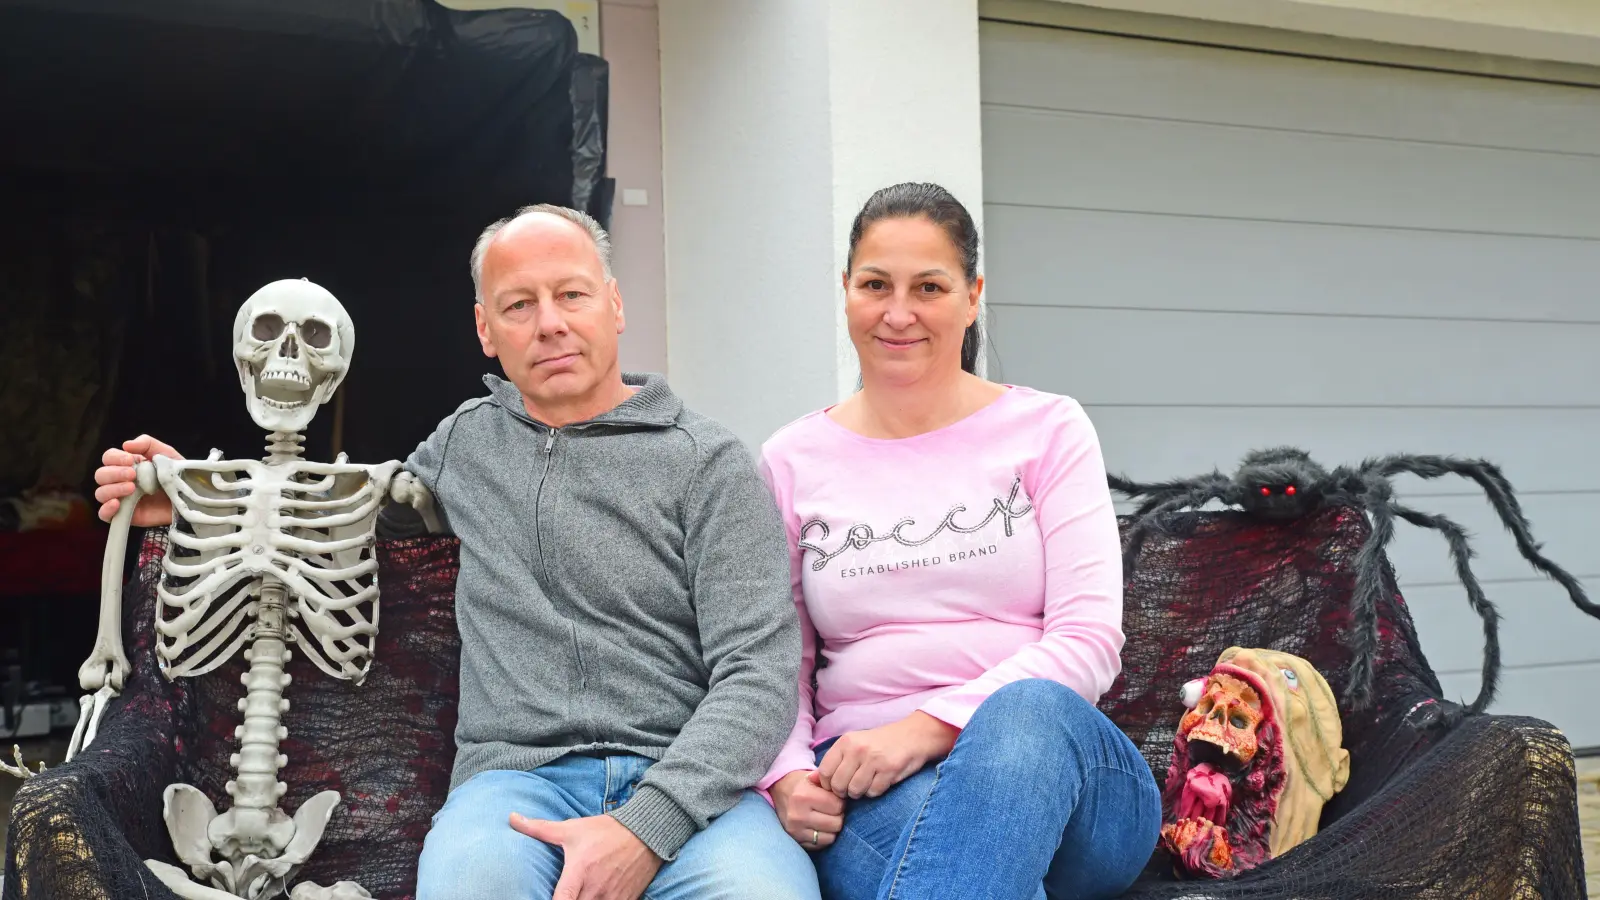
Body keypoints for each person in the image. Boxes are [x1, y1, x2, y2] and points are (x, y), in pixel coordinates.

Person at [91, 205, 822, 900]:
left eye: (572, 294)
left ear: (615, 305)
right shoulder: (465, 444)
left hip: (693, 791)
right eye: (518, 305)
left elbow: (758, 674)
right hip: (513, 788)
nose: (551, 325)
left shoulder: (710, 464)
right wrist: (185, 492)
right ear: (485, 330)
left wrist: (647, 828)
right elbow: (338, 516)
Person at [758, 183, 1161, 900]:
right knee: (951, 862)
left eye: (930, 286)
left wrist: (922, 729)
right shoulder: (790, 460)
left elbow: (1090, 640)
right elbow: (776, 659)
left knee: (1025, 709)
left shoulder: (1048, 430)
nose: (899, 312)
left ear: (973, 296)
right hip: (868, 785)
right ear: (846, 290)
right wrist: (788, 773)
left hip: (1071, 781)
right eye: (876, 284)